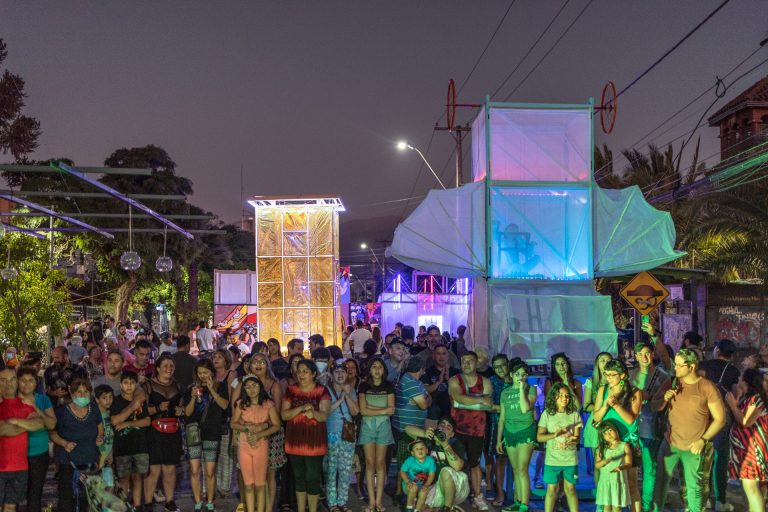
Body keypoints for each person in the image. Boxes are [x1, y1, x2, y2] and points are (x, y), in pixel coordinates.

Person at [654, 348, 727, 512]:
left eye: (680, 365)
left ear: (692, 366)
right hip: (669, 443)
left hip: (693, 446)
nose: (675, 368)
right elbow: (654, 406)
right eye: (676, 364)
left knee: (694, 487)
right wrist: (664, 399)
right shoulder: (671, 382)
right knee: (660, 483)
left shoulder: (707, 388)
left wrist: (703, 440)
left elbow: (720, 419)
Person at [232, 352, 286, 512]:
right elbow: (234, 413)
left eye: (262, 361)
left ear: (267, 364)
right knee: (249, 477)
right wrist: (244, 429)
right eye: (255, 361)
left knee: (268, 475)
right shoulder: (243, 385)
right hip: (246, 437)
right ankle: (250, 506)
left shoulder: (273, 385)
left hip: (269, 436)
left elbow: (276, 414)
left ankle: (267, 508)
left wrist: (262, 428)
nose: (258, 364)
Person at [592, 359, 642, 512]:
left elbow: (631, 419)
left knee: (632, 483)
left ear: (622, 375)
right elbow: (596, 417)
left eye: (612, 375)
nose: (608, 378)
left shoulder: (635, 392)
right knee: (607, 479)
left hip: (627, 440)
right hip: (609, 441)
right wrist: (606, 405)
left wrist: (616, 405)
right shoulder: (603, 390)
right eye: (606, 375)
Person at [281, 359, 331, 512]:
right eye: (299, 371)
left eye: (305, 371)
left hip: (314, 442)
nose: (301, 374)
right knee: (299, 478)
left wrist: (313, 413)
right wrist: (302, 408)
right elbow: (284, 415)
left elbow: (323, 416)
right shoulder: (291, 390)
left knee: (313, 477)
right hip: (295, 441)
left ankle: (313, 509)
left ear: (314, 374)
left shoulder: (322, 391)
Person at [49, 377, 105, 512]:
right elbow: (52, 433)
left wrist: (100, 436)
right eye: (79, 392)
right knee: (69, 499)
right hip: (69, 463)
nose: (82, 395)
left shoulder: (93, 408)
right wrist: (64, 443)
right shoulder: (62, 412)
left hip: (91, 461)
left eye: (85, 392)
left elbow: (99, 424)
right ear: (72, 394)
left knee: (90, 499)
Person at [698, 339, 740, 511]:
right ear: (732, 355)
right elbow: (735, 395)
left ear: (717, 350)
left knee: (702, 457)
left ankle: (703, 498)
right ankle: (720, 500)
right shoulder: (733, 370)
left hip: (703, 417)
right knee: (719, 459)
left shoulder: (703, 365)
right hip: (722, 418)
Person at [448, 351, 493, 511]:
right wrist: (480, 399)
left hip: (477, 430)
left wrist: (462, 403)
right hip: (457, 429)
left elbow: (488, 404)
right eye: (463, 361)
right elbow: (457, 398)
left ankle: (477, 496)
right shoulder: (454, 380)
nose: (466, 364)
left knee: (474, 464)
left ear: (477, 364)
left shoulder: (485, 381)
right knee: (455, 464)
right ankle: (452, 496)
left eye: (470, 361)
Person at [184, 358, 230, 511]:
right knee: (195, 469)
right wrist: (191, 397)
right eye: (200, 373)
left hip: (212, 432)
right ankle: (198, 502)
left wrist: (212, 390)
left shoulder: (220, 386)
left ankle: (210, 502)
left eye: (205, 372)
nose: (203, 376)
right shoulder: (191, 388)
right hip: (194, 433)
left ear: (212, 372)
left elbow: (224, 405)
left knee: (210, 471)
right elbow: (188, 413)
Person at [629, 342, 671, 512]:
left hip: (652, 426)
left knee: (650, 469)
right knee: (632, 470)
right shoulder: (631, 375)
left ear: (653, 354)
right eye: (641, 354)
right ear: (636, 356)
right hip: (631, 427)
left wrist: (650, 396)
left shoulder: (662, 375)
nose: (645, 357)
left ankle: (647, 506)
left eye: (648, 353)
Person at [143, 354, 184, 512]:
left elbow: (182, 405)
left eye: (171, 366)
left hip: (173, 431)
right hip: (154, 431)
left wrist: (181, 410)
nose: (169, 369)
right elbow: (143, 410)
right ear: (158, 368)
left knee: (170, 469)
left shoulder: (178, 386)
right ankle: (148, 503)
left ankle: (169, 501)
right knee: (154, 469)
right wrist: (159, 408)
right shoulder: (148, 386)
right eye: (165, 366)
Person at [724, 368, 768, 512]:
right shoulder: (748, 399)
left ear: (747, 382)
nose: (738, 381)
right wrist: (736, 404)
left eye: (740, 379)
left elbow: (745, 422)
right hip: (746, 450)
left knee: (751, 487)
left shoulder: (756, 399)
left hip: (753, 451)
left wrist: (732, 404)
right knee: (753, 489)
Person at [0, 368, 43, 512]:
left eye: (12, 379)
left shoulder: (25, 403)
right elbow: (2, 429)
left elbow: (38, 424)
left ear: (16, 382)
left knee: (11, 507)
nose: (8, 383)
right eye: (3, 380)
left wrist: (13, 421)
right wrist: (25, 424)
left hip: (19, 466)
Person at [497, 360, 537, 512]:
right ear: (512, 375)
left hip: (525, 431)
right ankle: (517, 501)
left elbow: (526, 408)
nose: (521, 377)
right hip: (509, 432)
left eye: (524, 374)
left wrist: (521, 388)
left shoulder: (530, 389)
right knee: (515, 469)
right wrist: (499, 439)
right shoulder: (505, 393)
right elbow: (502, 418)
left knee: (522, 468)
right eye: (518, 374)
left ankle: (524, 505)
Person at [404, 417, 470, 510]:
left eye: (448, 427)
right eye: (442, 424)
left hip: (458, 488)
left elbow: (458, 466)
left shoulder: (456, 443)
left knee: (445, 471)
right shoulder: (429, 440)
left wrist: (445, 444)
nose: (443, 428)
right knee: (420, 508)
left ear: (452, 434)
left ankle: (448, 508)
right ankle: (438, 508)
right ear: (437, 427)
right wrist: (424, 434)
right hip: (436, 487)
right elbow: (407, 429)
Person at [537, 382, 582, 512]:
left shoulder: (574, 414)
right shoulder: (547, 414)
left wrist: (572, 440)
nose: (564, 398)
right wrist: (554, 434)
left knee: (571, 489)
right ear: (554, 397)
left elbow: (577, 438)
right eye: (560, 395)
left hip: (570, 460)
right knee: (551, 490)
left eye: (567, 396)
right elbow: (540, 437)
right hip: (552, 460)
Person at [16, 367, 57, 512]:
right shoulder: (10, 400)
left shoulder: (43, 400)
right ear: (17, 382)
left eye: (31, 380)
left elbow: (52, 424)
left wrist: (37, 410)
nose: (27, 384)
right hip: (15, 455)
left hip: (39, 453)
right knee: (12, 496)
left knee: (35, 494)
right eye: (23, 380)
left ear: (36, 382)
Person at [357, 357, 395, 512]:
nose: (377, 369)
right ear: (369, 369)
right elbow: (362, 410)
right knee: (369, 462)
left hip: (383, 427)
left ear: (384, 370)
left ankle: (379, 501)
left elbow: (391, 410)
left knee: (381, 463)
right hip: (367, 427)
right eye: (374, 366)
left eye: (380, 367)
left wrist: (371, 408)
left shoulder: (389, 386)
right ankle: (371, 502)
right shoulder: (363, 386)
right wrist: (383, 410)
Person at [110, 370, 150, 510]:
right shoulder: (116, 401)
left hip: (140, 445)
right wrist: (133, 406)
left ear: (136, 385)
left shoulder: (141, 401)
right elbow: (115, 420)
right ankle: (123, 506)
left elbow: (147, 421)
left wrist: (128, 424)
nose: (129, 386)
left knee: (138, 477)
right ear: (120, 385)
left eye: (132, 383)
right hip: (122, 447)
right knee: (123, 478)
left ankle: (137, 506)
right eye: (126, 383)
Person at [393, 357, 431, 501]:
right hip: (406, 429)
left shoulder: (416, 382)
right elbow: (424, 404)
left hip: (414, 428)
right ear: (420, 369)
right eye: (423, 369)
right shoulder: (410, 382)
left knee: (411, 461)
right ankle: (400, 493)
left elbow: (426, 400)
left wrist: (425, 398)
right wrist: (425, 398)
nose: (424, 371)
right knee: (405, 461)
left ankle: (405, 492)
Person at [324, 359, 360, 512]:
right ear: (332, 375)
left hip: (348, 432)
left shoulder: (350, 390)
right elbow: (325, 411)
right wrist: (340, 398)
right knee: (331, 470)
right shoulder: (326, 390)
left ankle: (342, 502)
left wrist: (346, 395)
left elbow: (355, 411)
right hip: (331, 432)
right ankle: (332, 503)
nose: (340, 374)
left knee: (345, 469)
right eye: (336, 372)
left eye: (342, 372)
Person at [582, 352, 612, 478]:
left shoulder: (616, 381)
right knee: (598, 463)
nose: (605, 363)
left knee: (612, 462)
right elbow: (586, 406)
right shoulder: (591, 381)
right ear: (597, 364)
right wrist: (602, 408)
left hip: (612, 422)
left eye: (608, 360)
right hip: (596, 424)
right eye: (602, 361)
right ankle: (599, 495)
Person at [487, 354, 511, 507]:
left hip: (517, 426)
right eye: (495, 367)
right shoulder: (492, 381)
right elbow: (490, 406)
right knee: (500, 460)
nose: (499, 369)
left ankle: (518, 495)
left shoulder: (516, 378)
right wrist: (510, 409)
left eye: (502, 365)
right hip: (498, 426)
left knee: (517, 463)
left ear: (507, 364)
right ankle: (500, 492)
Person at [594, 420, 631, 512]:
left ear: (616, 430)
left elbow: (628, 463)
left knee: (617, 507)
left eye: (610, 430)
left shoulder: (624, 445)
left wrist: (621, 467)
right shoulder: (601, 448)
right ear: (602, 437)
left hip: (617, 480)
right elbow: (597, 465)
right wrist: (605, 461)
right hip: (605, 481)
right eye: (605, 433)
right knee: (606, 507)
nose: (609, 434)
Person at [421, 344, 459, 421]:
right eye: (438, 354)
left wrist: (449, 380)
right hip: (433, 410)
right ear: (433, 356)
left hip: (451, 409)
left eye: (444, 354)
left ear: (448, 356)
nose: (441, 357)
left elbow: (459, 392)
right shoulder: (427, 372)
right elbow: (425, 390)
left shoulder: (456, 372)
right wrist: (438, 382)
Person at [399, 439, 437, 512]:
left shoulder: (430, 460)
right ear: (412, 453)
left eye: (422, 448)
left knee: (424, 492)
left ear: (426, 450)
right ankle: (409, 508)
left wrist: (426, 485)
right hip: (410, 483)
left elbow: (431, 475)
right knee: (413, 487)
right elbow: (402, 471)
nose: (420, 450)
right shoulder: (410, 460)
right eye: (417, 448)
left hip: (422, 484)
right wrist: (407, 481)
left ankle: (417, 510)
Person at [94, 385, 115, 493]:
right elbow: (96, 439)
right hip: (99, 458)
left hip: (107, 456)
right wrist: (100, 457)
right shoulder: (95, 416)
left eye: (110, 397)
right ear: (97, 400)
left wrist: (110, 453)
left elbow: (110, 436)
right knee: (99, 490)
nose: (108, 400)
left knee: (109, 486)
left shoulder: (108, 413)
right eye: (104, 397)